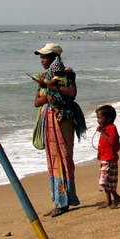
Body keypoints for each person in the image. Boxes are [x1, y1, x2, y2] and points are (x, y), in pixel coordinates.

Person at [31, 43, 86, 216]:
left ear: (54, 58)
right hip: (49, 118)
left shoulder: (66, 73)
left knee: (64, 158)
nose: (42, 60)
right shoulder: (45, 76)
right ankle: (58, 200)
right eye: (41, 57)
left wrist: (49, 86)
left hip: (62, 119)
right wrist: (46, 93)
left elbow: (71, 92)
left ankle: (65, 201)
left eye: (45, 57)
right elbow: (36, 102)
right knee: (54, 161)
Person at [94, 105, 120, 208]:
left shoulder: (112, 128)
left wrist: (102, 132)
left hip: (110, 158)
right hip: (105, 158)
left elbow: (111, 141)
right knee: (107, 181)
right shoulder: (105, 128)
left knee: (105, 180)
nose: (98, 120)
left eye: (100, 118)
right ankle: (108, 201)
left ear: (108, 119)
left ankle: (116, 196)